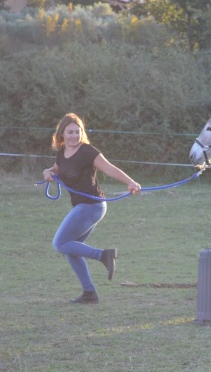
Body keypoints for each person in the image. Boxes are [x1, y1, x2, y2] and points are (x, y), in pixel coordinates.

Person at [42, 113, 142, 304]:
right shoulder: (62, 153)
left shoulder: (87, 151)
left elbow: (109, 169)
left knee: (59, 243)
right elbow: (55, 169)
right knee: (71, 249)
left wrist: (130, 182)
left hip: (92, 205)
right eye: (70, 132)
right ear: (62, 134)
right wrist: (47, 172)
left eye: (77, 132)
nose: (74, 136)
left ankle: (104, 255)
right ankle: (89, 293)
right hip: (83, 206)